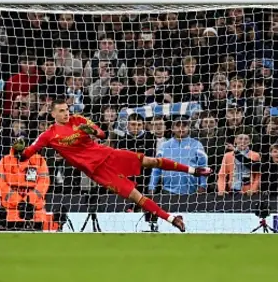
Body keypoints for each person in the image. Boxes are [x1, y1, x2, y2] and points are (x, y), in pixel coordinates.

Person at [17, 99, 212, 232]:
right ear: (52, 114)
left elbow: (102, 135)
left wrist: (91, 129)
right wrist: (18, 149)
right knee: (137, 197)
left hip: (107, 154)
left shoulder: (78, 120)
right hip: (98, 172)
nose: (66, 113)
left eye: (67, 109)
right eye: (61, 110)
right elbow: (27, 154)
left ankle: (193, 170)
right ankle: (172, 219)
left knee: (150, 161)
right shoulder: (48, 135)